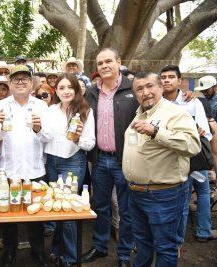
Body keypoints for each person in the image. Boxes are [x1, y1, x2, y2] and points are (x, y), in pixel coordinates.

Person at [123, 71, 201, 266]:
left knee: (165, 247)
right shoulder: (139, 113)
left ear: (160, 87)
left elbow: (193, 145)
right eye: (140, 89)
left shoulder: (174, 113)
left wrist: (156, 131)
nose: (145, 92)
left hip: (163, 195)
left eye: (150, 86)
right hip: (137, 193)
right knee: (142, 244)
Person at [0, 65, 51, 267]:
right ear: (10, 83)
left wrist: (38, 128)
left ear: (32, 83)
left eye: (25, 78)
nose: (21, 82)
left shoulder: (42, 106)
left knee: (36, 215)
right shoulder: (1, 106)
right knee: (9, 216)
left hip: (35, 169)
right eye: (16, 79)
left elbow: (49, 137)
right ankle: (9, 252)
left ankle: (38, 251)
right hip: (9, 169)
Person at [81, 48, 136, 267]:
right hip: (99, 159)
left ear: (118, 62)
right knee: (100, 206)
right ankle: (100, 246)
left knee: (126, 209)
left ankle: (124, 255)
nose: (104, 66)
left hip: (125, 160)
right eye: (100, 63)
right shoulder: (91, 93)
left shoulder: (132, 89)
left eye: (108, 62)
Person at [160, 65, 216, 245]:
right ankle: (176, 242)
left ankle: (203, 231)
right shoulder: (156, 103)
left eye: (171, 77)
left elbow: (206, 132)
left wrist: (197, 132)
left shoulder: (192, 102)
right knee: (182, 201)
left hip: (194, 158)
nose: (166, 80)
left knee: (203, 191)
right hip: (170, 160)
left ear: (179, 81)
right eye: (163, 77)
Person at [43, 73, 95, 265]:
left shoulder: (85, 111)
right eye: (61, 88)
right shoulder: (50, 110)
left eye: (69, 87)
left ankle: (71, 258)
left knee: (69, 212)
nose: (66, 91)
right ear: (56, 91)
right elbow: (44, 139)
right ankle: (57, 249)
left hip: (73, 161)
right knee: (57, 209)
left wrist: (77, 138)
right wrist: (38, 130)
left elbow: (90, 144)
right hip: (52, 162)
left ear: (77, 89)